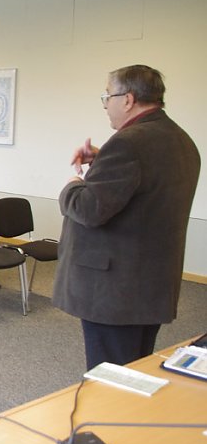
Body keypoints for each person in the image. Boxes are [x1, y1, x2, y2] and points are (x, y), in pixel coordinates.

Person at [53, 65, 200, 370]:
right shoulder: (180, 140)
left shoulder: (128, 143)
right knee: (134, 369)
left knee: (111, 378)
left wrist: (73, 185)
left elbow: (88, 209)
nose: (106, 104)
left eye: (108, 96)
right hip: (149, 285)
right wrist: (103, 159)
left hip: (115, 292)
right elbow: (140, 187)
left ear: (128, 99)